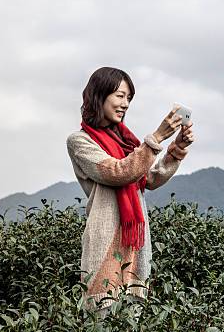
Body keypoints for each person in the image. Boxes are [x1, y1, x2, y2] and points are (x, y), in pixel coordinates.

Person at [66, 67, 194, 319]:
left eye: (128, 98)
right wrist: (156, 137)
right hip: (104, 245)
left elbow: (150, 177)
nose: (125, 104)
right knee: (100, 322)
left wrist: (176, 149)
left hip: (134, 244)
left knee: (131, 330)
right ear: (98, 96)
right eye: (119, 96)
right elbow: (117, 172)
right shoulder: (80, 141)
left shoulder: (126, 142)